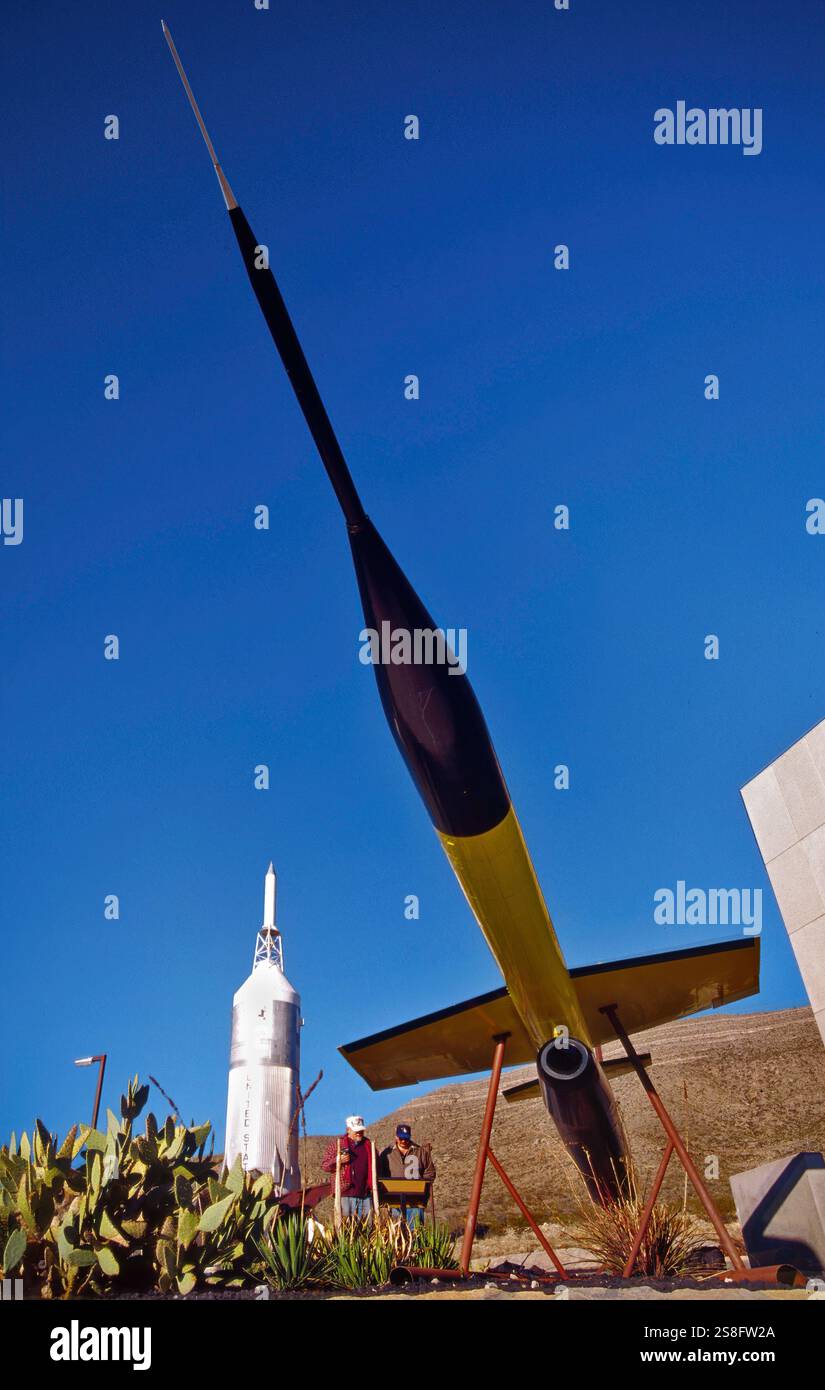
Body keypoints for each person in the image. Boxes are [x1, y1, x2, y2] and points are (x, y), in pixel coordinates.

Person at [378, 1123, 435, 1228]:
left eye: (406, 1138)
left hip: (416, 1200)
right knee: (397, 1230)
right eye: (401, 1138)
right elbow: (380, 1172)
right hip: (394, 1200)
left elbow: (430, 1171)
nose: (403, 1141)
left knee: (416, 1229)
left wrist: (424, 1187)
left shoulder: (420, 1152)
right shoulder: (387, 1153)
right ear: (396, 1137)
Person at [321, 1115, 377, 1222]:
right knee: (347, 1226)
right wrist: (338, 1160)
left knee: (368, 1227)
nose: (359, 1133)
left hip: (365, 1193)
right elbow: (325, 1166)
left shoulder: (369, 1145)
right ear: (348, 1130)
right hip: (346, 1192)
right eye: (356, 1130)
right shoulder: (338, 1144)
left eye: (361, 1130)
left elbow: (377, 1164)